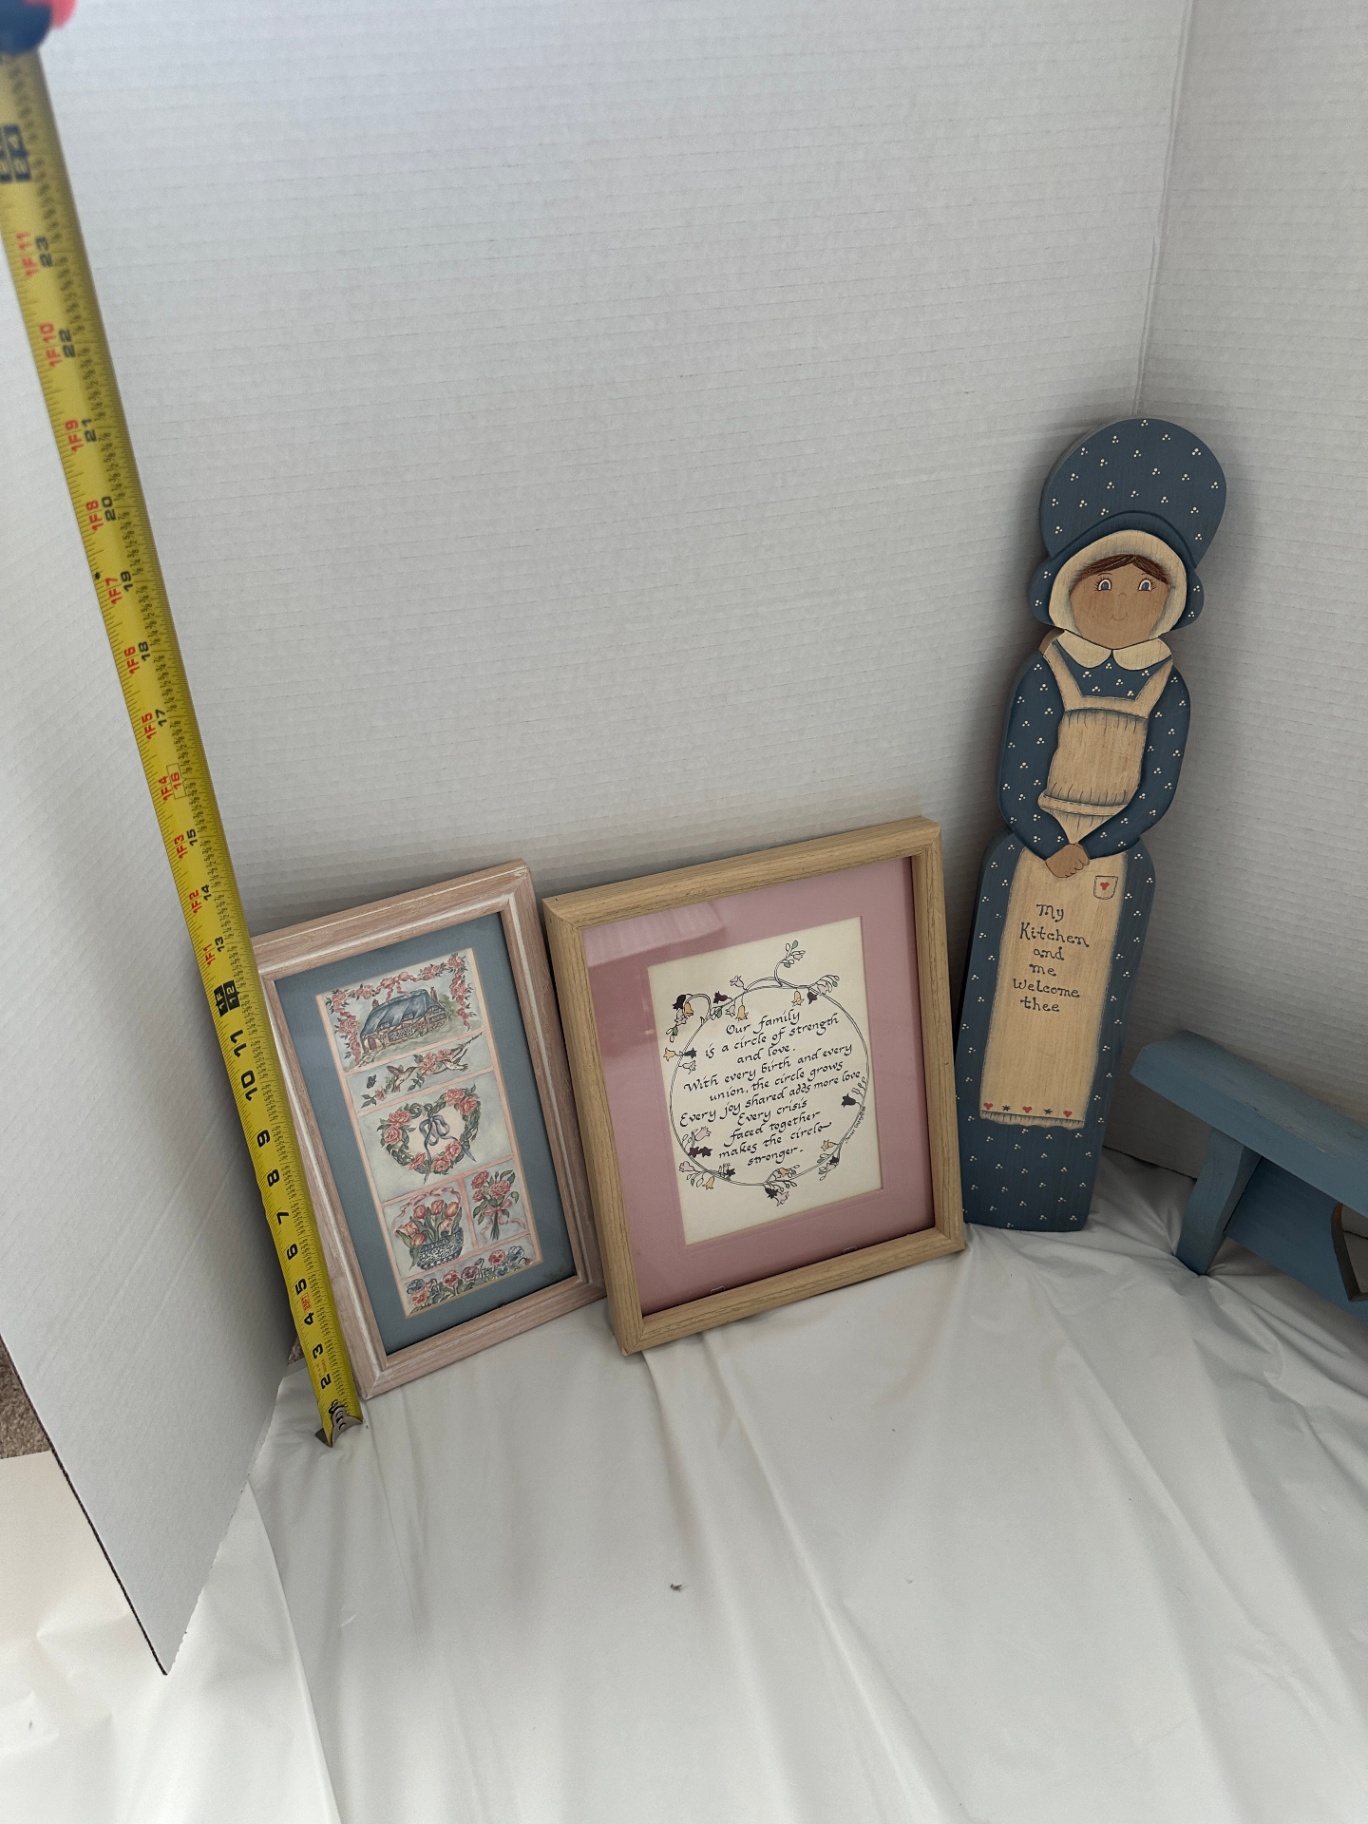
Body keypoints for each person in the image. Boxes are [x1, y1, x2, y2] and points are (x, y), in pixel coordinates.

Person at [956, 418, 1225, 1228]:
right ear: (1069, 587)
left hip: (1112, 865)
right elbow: (1017, 773)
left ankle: (1053, 1178)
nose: (1124, 604)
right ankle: (980, 1170)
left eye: (1144, 589)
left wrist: (1097, 845)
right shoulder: (1047, 675)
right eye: (1105, 587)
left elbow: (1157, 789)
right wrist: (1047, 841)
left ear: (1171, 597)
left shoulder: (1166, 690)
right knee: (1009, 1015)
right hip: (1031, 857)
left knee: (1081, 1025)